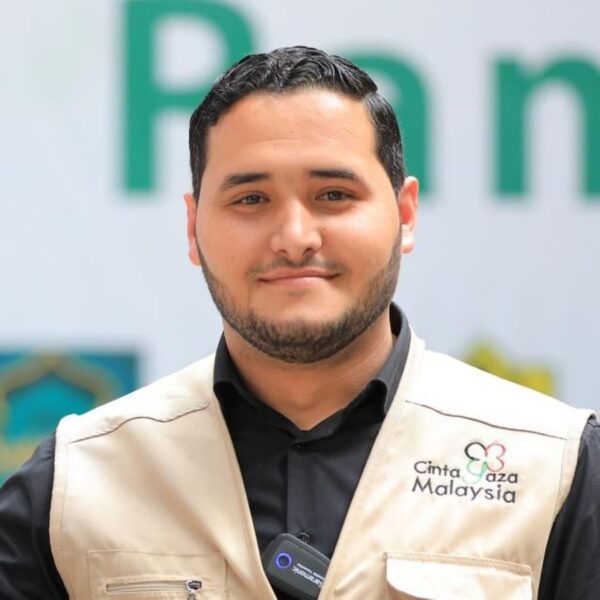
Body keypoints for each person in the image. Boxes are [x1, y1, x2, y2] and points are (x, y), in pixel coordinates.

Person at [0, 46, 598, 600]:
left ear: (405, 214)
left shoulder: (555, 466)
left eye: (333, 195)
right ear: (193, 227)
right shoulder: (75, 482)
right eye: (251, 200)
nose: (294, 238)